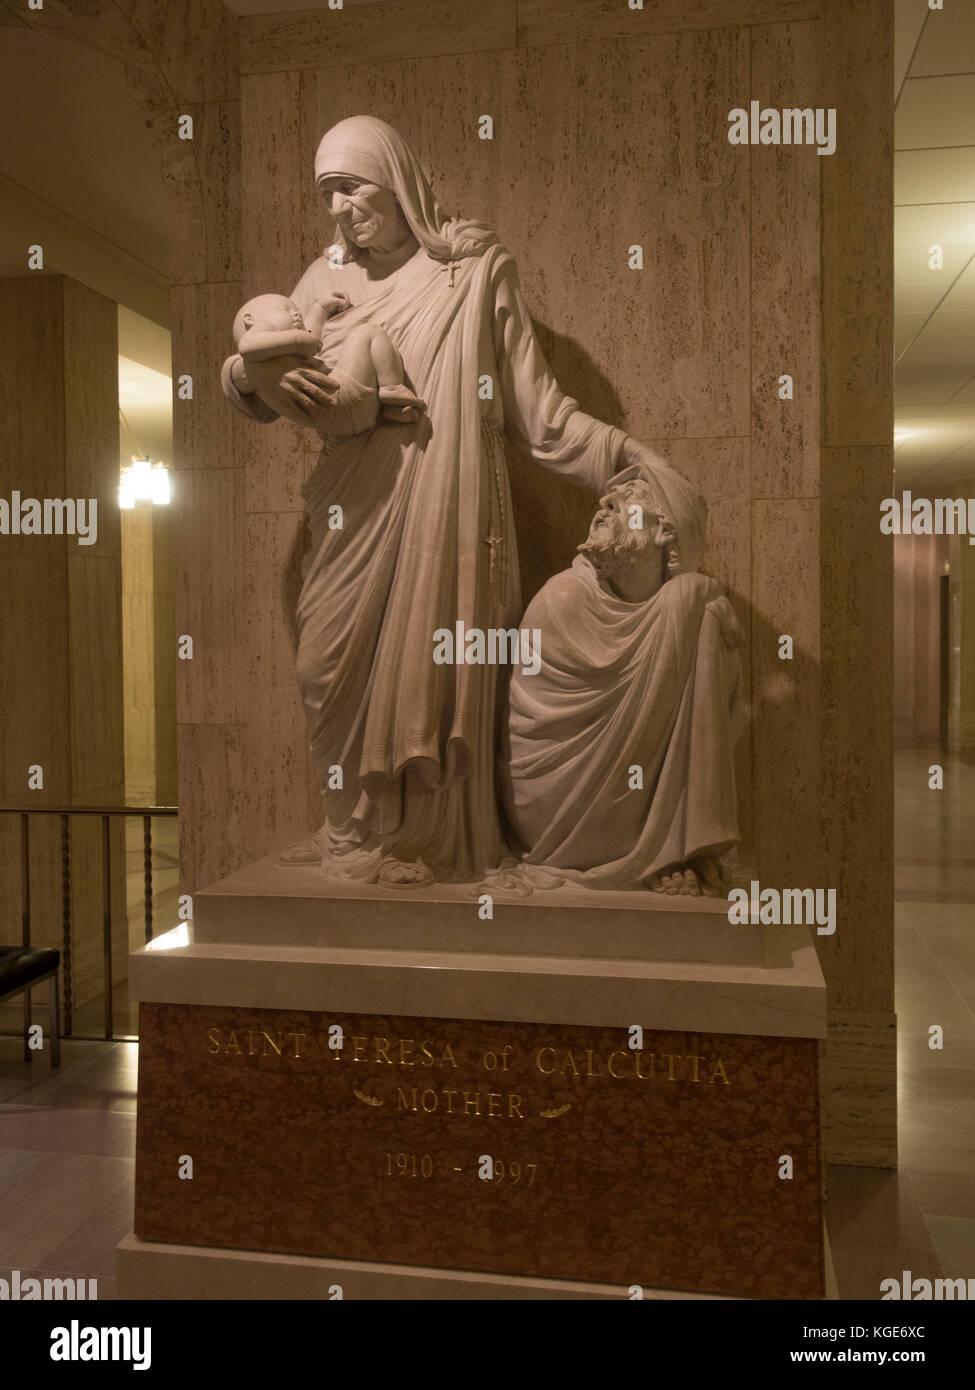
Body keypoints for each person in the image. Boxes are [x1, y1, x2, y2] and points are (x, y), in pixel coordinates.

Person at [221, 115, 665, 886]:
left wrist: (626, 458)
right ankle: (351, 831)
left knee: (430, 674)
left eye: (351, 188)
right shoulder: (326, 277)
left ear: (394, 178)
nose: (339, 211)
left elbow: (539, 416)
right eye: (326, 195)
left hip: (446, 510)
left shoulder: (470, 269)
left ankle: (421, 844)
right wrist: (242, 375)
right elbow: (261, 372)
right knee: (324, 667)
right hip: (348, 510)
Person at [500, 463, 747, 895]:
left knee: (705, 625)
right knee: (701, 613)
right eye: (606, 502)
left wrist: (697, 596)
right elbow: (537, 727)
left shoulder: (690, 612)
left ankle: (677, 846)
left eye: (626, 503)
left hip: (633, 799)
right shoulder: (563, 596)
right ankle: (657, 849)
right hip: (552, 803)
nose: (604, 507)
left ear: (665, 533)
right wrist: (700, 591)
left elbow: (730, 715)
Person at [230, 291, 423, 433]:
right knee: (368, 333)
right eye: (285, 309)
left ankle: (388, 410)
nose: (296, 314)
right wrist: (296, 341)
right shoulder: (263, 331)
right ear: (249, 319)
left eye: (296, 310)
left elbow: (313, 339)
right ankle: (391, 388)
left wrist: (320, 309)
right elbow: (247, 346)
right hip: (338, 393)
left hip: (335, 423)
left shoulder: (280, 349)